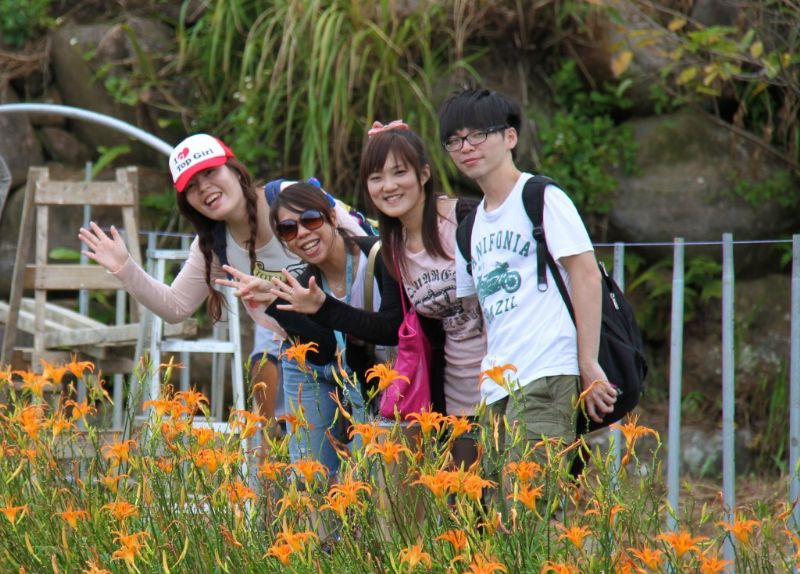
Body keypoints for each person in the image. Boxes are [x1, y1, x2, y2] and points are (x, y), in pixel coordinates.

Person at [76, 134, 362, 434]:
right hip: (307, 356)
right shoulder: (213, 244)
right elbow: (176, 306)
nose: (204, 188)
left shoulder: (287, 197)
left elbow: (365, 245)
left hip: (361, 339)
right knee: (310, 460)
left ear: (235, 170)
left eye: (210, 172)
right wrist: (125, 267)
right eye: (191, 186)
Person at [438, 88, 619, 470]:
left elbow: (586, 275)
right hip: (496, 390)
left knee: (531, 497)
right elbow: (481, 314)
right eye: (454, 140)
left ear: (510, 137)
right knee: (503, 504)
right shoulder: (469, 229)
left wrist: (588, 363)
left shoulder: (540, 197)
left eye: (477, 134)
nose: (466, 146)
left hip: (547, 373)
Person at [219, 182, 403, 477]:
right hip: (353, 379)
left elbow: (392, 328)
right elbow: (324, 351)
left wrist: (323, 307)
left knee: (371, 477)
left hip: (395, 382)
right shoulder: (305, 283)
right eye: (288, 229)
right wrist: (273, 303)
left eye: (311, 219)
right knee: (310, 477)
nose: (302, 232)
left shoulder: (382, 256)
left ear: (333, 217)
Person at [360, 120, 485, 470]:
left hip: (507, 386)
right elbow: (391, 327)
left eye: (399, 172)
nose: (388, 186)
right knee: (464, 498)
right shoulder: (392, 249)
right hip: (455, 401)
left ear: (424, 174)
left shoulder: (465, 219)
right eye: (376, 177)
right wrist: (319, 307)